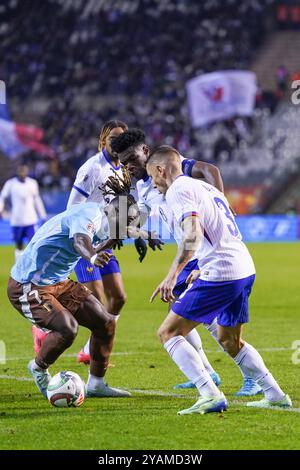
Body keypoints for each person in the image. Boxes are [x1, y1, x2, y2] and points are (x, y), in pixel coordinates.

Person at [111, 129, 262, 397]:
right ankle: (208, 370)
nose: (128, 167)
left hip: (200, 248)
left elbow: (209, 169)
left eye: (131, 159)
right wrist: (127, 214)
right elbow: (143, 215)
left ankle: (239, 376)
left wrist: (221, 203)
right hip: (189, 247)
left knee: (191, 318)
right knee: (182, 307)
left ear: (145, 152)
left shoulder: (172, 166)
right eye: (123, 164)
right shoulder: (143, 185)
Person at [147, 145, 291, 414]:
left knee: (168, 332)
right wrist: (200, 266)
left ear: (160, 169)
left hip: (222, 272)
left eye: (153, 177)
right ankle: (275, 394)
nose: (154, 184)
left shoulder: (178, 190)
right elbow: (220, 231)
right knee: (230, 340)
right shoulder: (208, 188)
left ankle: (209, 393)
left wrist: (172, 275)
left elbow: (193, 236)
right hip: (243, 267)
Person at [7, 176, 139, 399]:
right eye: (128, 221)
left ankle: (96, 384)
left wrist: (134, 235)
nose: (129, 226)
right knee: (67, 329)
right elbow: (80, 242)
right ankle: (38, 368)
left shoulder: (107, 223)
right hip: (28, 284)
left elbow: (102, 239)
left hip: (58, 282)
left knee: (105, 322)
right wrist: (94, 256)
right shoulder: (89, 214)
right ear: (116, 213)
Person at [32, 120, 128, 363]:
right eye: (113, 138)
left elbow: (121, 205)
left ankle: (88, 346)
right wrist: (87, 242)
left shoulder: (123, 169)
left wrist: (121, 225)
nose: (117, 143)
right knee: (96, 299)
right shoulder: (92, 169)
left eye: (122, 138)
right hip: (85, 242)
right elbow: (72, 210)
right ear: (103, 140)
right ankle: (49, 331)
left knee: (118, 298)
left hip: (104, 241)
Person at [0, 164, 46, 261]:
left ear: (27, 172)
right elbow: (2, 197)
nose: (22, 173)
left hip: (31, 220)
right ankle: (18, 267)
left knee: (33, 244)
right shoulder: (10, 184)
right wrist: (0, 209)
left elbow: (37, 200)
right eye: (21, 171)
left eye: (24, 171)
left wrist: (42, 214)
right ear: (17, 172)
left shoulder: (32, 183)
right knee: (19, 245)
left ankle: (32, 266)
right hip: (17, 220)